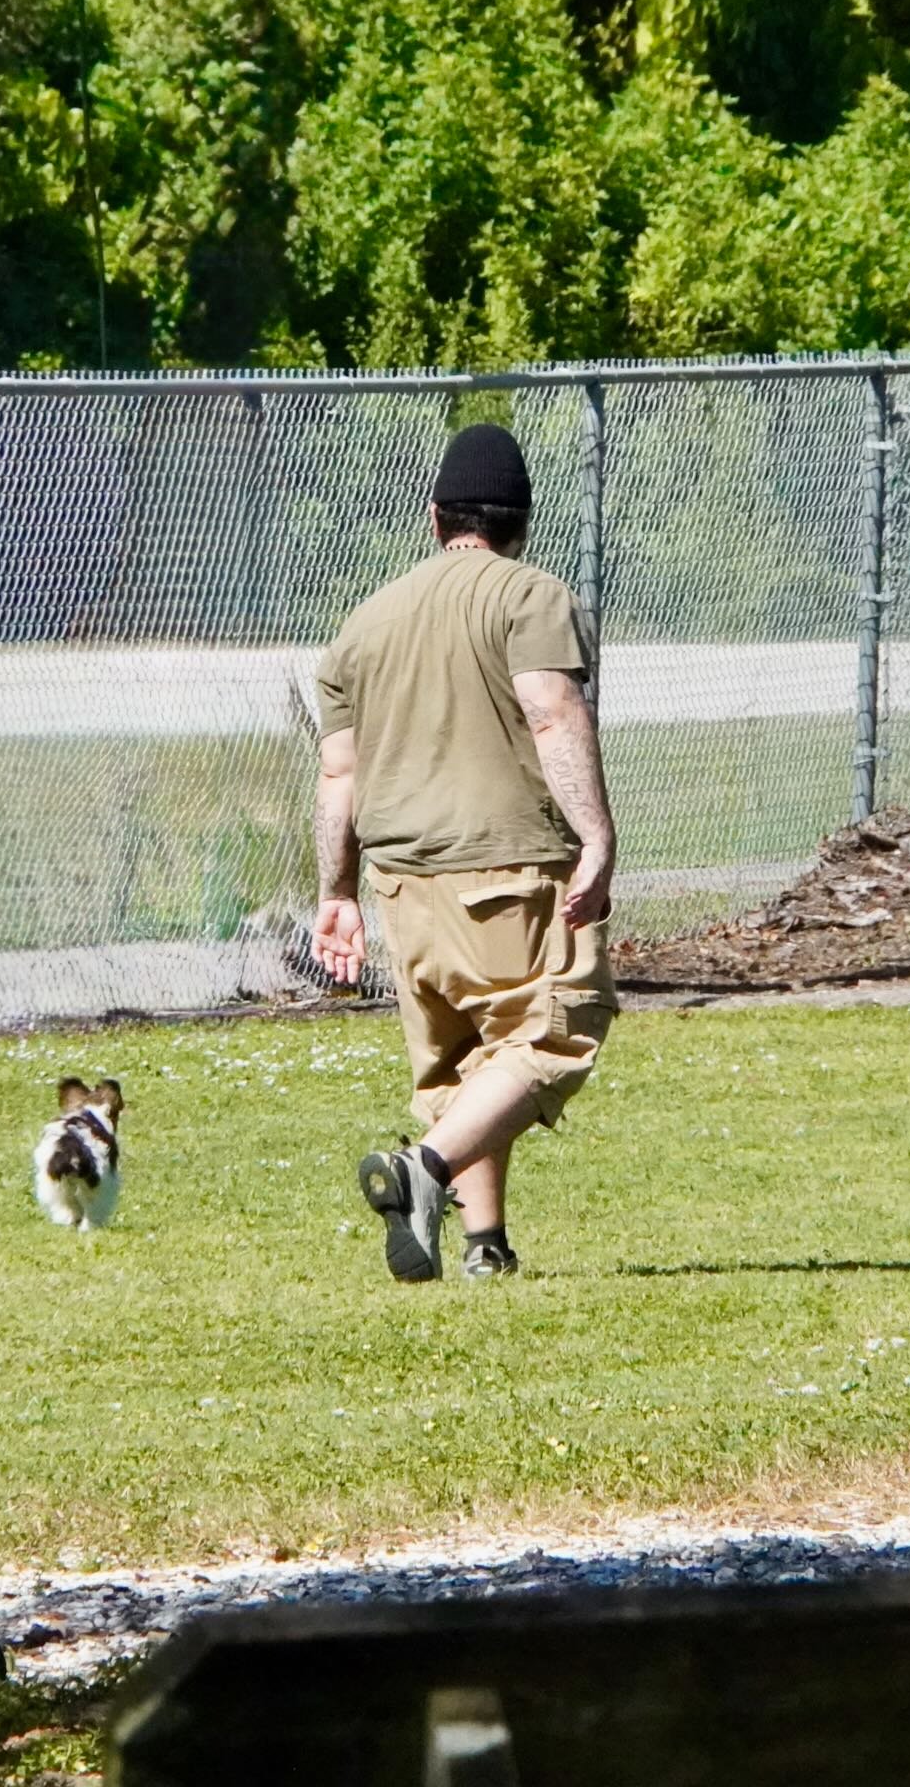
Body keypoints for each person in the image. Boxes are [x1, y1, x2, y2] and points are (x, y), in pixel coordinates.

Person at [311, 422, 618, 1283]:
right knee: (556, 1031)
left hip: (402, 886)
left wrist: (335, 890)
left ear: (435, 517)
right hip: (509, 867)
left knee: (466, 1067)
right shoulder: (529, 596)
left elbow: (339, 771)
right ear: (521, 522)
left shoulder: (363, 624)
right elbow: (551, 711)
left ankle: (485, 1245)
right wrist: (596, 837)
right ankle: (424, 1170)